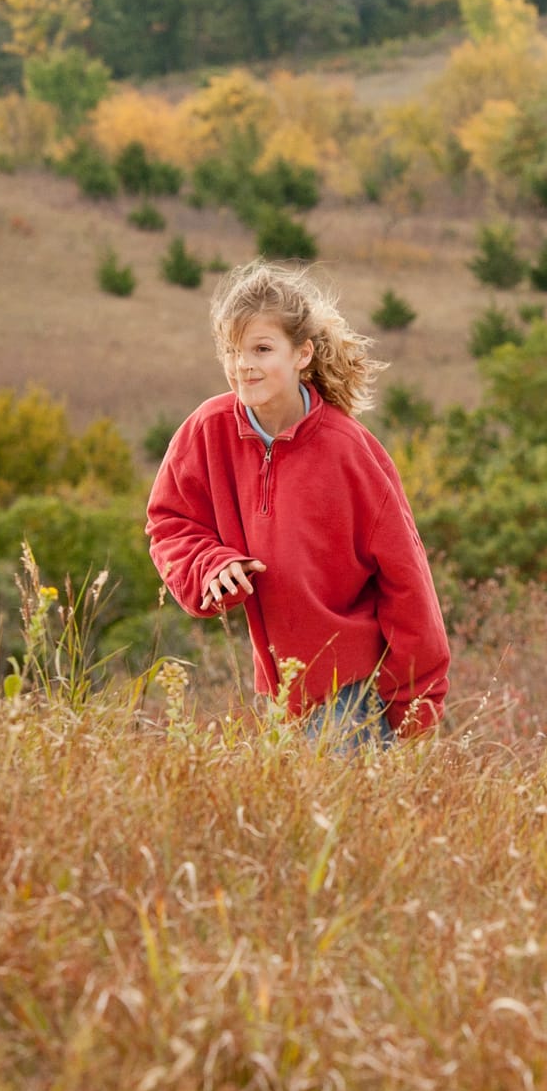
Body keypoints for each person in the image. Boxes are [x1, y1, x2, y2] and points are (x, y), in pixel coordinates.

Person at [146, 261, 449, 747]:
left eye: (262, 349)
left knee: (341, 822)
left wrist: (413, 708)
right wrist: (211, 566)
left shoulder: (352, 453)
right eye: (232, 350)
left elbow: (408, 584)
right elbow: (171, 523)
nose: (243, 365)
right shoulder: (208, 429)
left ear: (302, 353)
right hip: (275, 694)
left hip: (351, 694)